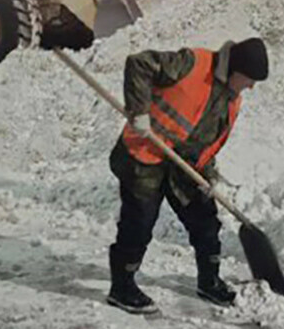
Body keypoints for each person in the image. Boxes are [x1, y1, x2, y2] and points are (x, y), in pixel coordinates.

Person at [106, 38, 268, 314]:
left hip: (182, 166)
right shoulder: (192, 64)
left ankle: (209, 281)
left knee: (206, 221)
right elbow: (140, 63)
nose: (250, 87)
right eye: (249, 79)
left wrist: (207, 176)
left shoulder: (231, 101)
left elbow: (207, 141)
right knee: (139, 223)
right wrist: (139, 111)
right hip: (144, 155)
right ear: (236, 70)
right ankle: (122, 287)